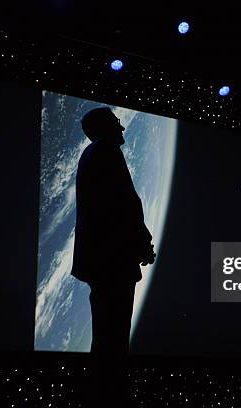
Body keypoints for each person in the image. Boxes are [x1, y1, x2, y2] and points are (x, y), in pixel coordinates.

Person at [70, 106, 156, 406]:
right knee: (113, 338)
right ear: (105, 128)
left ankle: (104, 392)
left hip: (103, 263)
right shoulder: (105, 152)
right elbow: (123, 206)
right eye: (116, 122)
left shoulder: (92, 155)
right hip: (113, 263)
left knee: (107, 336)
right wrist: (142, 243)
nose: (122, 127)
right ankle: (110, 395)